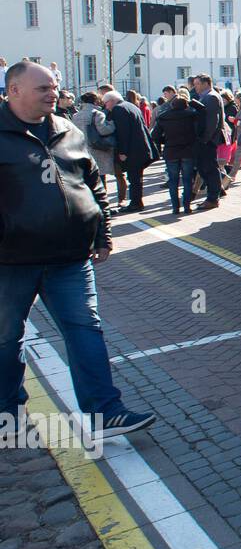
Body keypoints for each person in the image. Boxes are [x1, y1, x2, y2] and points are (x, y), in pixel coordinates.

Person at [0, 61, 155, 440]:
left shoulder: (67, 130)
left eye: (54, 86)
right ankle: (7, 414)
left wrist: (102, 233)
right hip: (11, 262)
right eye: (43, 88)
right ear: (14, 90)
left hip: (70, 259)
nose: (53, 92)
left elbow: (92, 183)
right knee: (5, 339)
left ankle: (106, 413)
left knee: (86, 330)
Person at [150, 87, 201, 215]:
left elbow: (155, 136)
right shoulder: (192, 116)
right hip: (187, 150)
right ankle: (187, 206)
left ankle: (175, 207)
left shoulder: (163, 117)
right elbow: (198, 132)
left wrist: (165, 141)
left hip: (171, 151)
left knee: (173, 181)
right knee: (187, 180)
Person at [102, 91, 155, 214]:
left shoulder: (118, 109)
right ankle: (137, 202)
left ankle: (135, 203)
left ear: (112, 101)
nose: (106, 107)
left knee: (134, 178)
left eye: (106, 103)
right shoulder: (130, 106)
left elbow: (123, 132)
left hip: (132, 151)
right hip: (141, 148)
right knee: (137, 178)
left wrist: (123, 152)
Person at [192, 74, 228, 210]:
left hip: (209, 139)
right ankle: (216, 192)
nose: (196, 87)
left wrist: (205, 139)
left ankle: (213, 198)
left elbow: (213, 121)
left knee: (208, 168)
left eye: (197, 84)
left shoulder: (211, 97)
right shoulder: (208, 96)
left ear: (206, 83)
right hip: (207, 138)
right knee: (205, 167)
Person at [70, 91, 117, 194]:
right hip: (97, 149)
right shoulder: (97, 114)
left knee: (87, 179)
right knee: (100, 179)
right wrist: (112, 124)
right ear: (96, 101)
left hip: (82, 149)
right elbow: (103, 130)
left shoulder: (76, 116)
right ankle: (103, 205)